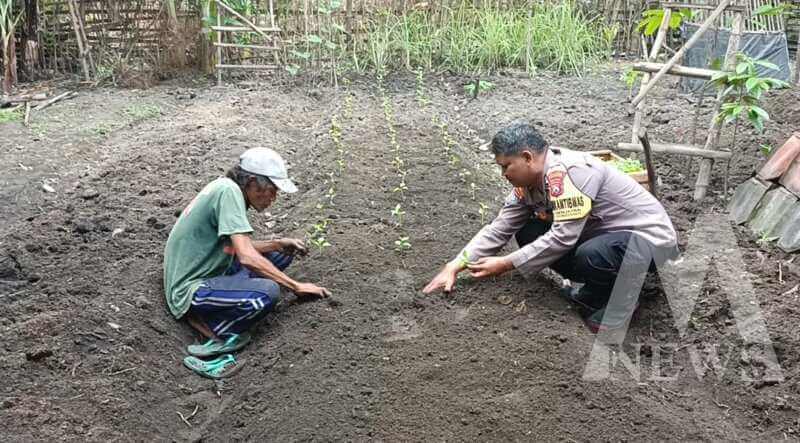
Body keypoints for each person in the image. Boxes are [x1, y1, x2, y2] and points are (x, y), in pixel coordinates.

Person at [423, 123, 678, 332]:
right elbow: (499, 228)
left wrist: (505, 263)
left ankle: (621, 303)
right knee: (529, 231)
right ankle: (594, 291)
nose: (503, 174)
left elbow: (563, 237)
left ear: (527, 158)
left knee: (592, 254)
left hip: (650, 242)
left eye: (505, 166)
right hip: (607, 238)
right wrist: (456, 264)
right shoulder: (529, 185)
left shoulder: (570, 173)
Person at [163, 147, 331, 378]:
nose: (273, 198)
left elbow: (228, 246)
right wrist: (296, 286)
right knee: (268, 292)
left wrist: (277, 243)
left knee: (283, 253)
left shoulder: (226, 188)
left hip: (211, 267)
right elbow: (245, 255)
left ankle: (229, 303)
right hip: (192, 288)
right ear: (252, 182)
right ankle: (219, 333)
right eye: (271, 190)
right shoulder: (229, 192)